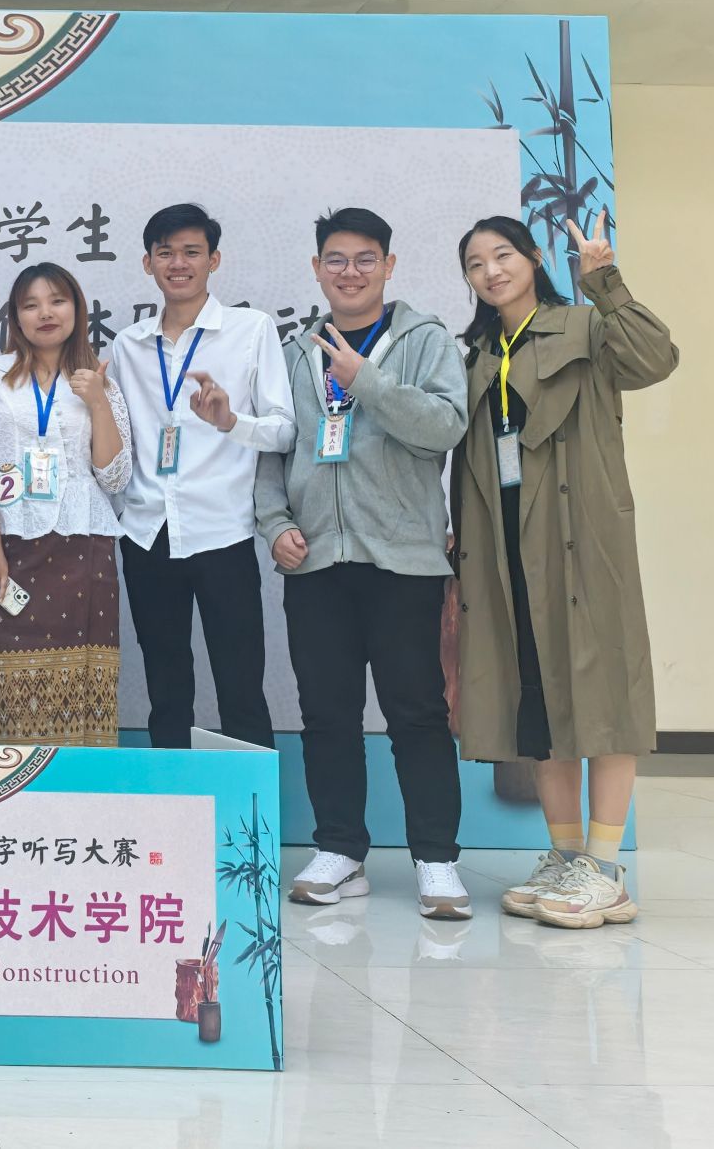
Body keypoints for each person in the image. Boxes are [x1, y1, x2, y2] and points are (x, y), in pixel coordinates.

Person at [450, 211, 676, 929]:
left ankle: (605, 870)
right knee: (536, 697)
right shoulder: (475, 354)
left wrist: (604, 280)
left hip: (581, 540)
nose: (491, 271)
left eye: (503, 255)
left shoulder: (584, 325)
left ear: (533, 258)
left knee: (602, 693)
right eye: (476, 263)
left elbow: (655, 360)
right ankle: (566, 855)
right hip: (504, 546)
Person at [254, 207, 473, 920]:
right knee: (327, 713)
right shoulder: (293, 352)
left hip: (404, 560)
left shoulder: (425, 338)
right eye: (337, 260)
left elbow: (444, 428)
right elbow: (274, 449)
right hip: (316, 561)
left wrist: (368, 381)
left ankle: (436, 860)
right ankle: (340, 851)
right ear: (317, 268)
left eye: (365, 259)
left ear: (389, 266)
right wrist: (275, 525)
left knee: (417, 713)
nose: (350, 272)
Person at [110, 204, 292, 750]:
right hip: (147, 532)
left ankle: (250, 806)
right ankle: (174, 799)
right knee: (166, 688)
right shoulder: (128, 345)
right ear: (147, 263)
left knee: (241, 686)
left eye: (191, 252)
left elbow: (285, 431)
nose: (178, 263)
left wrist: (230, 421)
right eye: (165, 252)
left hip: (222, 531)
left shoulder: (251, 330)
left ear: (214, 260)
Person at [0, 263, 132, 747]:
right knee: (11, 697)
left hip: (85, 548)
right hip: (9, 549)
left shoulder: (100, 382)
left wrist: (98, 402)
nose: (45, 313)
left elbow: (114, 478)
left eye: (57, 300)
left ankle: (85, 796)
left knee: (86, 697)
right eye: (30, 305)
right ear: (15, 317)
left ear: (77, 308)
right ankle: (17, 794)